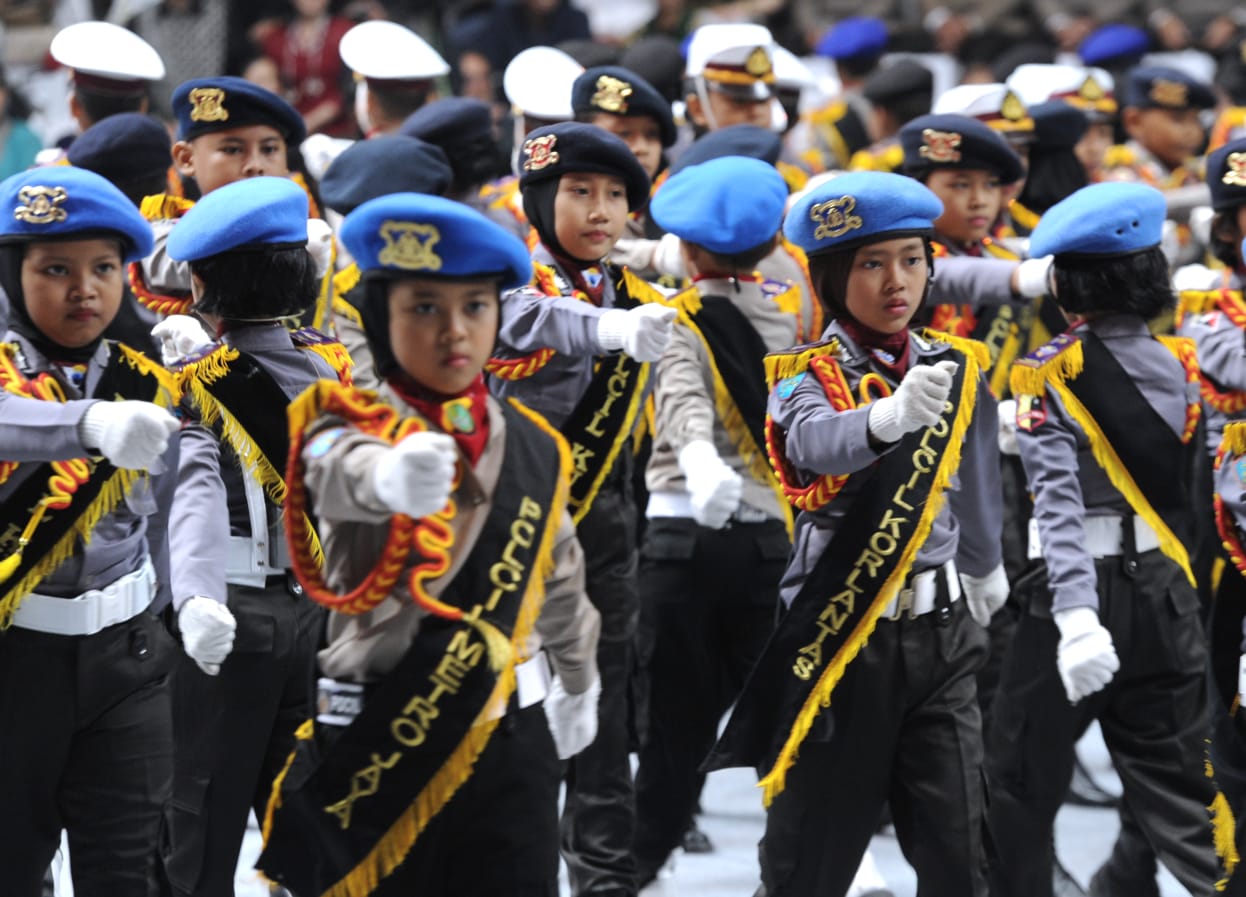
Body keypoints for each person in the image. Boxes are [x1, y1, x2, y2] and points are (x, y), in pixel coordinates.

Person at [255, 191, 601, 897]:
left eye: (476, 306)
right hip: (384, 729)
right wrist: (387, 474)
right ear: (380, 315)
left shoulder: (534, 444)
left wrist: (581, 674)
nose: (455, 332)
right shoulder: (342, 420)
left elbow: (560, 571)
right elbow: (330, 475)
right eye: (424, 308)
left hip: (511, 733)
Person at [706, 169, 1006, 897]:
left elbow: (977, 475)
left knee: (960, 856)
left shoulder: (955, 363)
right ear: (833, 278)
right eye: (871, 264)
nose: (897, 281)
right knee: (808, 862)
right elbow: (810, 443)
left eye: (911, 258)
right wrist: (886, 419)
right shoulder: (801, 373)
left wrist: (985, 565)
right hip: (845, 642)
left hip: (942, 635)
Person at [985, 181, 1222, 897]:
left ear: (1061, 284)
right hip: (1166, 588)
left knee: (1017, 783)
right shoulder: (1188, 361)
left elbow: (1055, 506)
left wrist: (1079, 618)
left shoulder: (1047, 370)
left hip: (1071, 597)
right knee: (1187, 795)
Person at [490, 121, 675, 897]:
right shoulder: (509, 276)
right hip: (509, 527)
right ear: (540, 198)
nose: (601, 211)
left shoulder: (635, 294)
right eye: (579, 193)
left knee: (606, 704)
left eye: (616, 196)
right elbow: (526, 321)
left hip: (601, 524)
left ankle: (604, 876)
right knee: (515, 711)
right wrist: (607, 328)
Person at [160, 175, 351, 897]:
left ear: (202, 283)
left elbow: (188, 497)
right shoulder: (329, 362)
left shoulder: (195, 379)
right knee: (309, 814)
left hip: (229, 609)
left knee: (200, 820)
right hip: (319, 609)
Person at [0, 165, 180, 896]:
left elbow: (178, 501)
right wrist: (87, 423)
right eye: (55, 269)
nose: (85, 289)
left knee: (131, 869)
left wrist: (186, 605)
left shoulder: (139, 374)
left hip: (128, 657)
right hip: (16, 660)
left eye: (105, 267)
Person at [632, 154, 798, 886]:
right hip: (770, 542)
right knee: (784, 724)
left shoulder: (676, 319)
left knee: (674, 730)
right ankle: (802, 867)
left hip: (680, 540)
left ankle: (633, 870)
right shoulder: (791, 314)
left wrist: (700, 461)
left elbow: (680, 403)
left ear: (687, 249)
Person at [260, 0, 355, 138]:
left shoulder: (345, 33)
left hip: (335, 133)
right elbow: (265, 85)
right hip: (286, 128)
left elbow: (350, 89)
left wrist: (308, 123)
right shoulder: (274, 38)